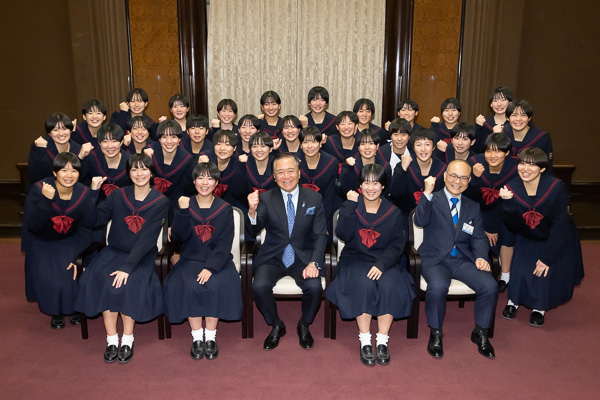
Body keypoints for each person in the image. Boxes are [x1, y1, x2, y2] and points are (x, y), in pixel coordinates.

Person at [76, 153, 170, 363]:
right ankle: (111, 339)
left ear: (152, 172)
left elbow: (147, 239)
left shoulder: (160, 201)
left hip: (141, 255)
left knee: (128, 283)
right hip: (114, 251)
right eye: (134, 169)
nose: (139, 173)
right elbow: (93, 220)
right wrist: (93, 193)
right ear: (128, 173)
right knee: (102, 279)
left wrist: (128, 267)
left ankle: (127, 338)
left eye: (144, 169)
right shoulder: (118, 196)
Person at [327, 164, 415, 366]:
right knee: (363, 284)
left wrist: (382, 265)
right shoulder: (351, 206)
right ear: (360, 185)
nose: (371, 187)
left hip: (385, 261)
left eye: (376, 182)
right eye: (366, 182)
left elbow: (397, 245)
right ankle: (365, 340)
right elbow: (343, 235)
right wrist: (349, 206)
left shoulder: (393, 212)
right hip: (355, 259)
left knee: (390, 285)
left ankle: (382, 341)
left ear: (383, 186)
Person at [414, 159, 498, 359]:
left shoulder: (473, 206)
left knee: (490, 286)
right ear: (445, 176)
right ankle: (436, 333)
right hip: (435, 259)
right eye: (453, 176)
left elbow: (478, 236)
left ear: (469, 181)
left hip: (462, 259)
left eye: (463, 178)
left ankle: (480, 332)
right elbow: (420, 220)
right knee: (438, 286)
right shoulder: (432, 199)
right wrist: (426, 193)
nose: (457, 181)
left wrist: (481, 257)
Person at [246, 153, 327, 350]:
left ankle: (303, 324)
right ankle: (276, 324)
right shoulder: (266, 198)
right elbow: (255, 229)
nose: (286, 176)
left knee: (314, 287)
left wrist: (314, 263)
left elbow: (320, 236)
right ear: (274, 177)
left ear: (299, 173)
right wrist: (252, 211)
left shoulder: (314, 198)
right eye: (280, 172)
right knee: (259, 286)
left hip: (303, 257)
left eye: (290, 171)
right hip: (273, 256)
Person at [163, 162, 243, 360]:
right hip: (190, 259)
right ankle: (197, 337)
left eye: (210, 178)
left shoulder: (225, 209)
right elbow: (178, 237)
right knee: (189, 285)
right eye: (200, 178)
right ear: (194, 181)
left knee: (215, 284)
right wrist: (182, 212)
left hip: (218, 261)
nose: (204, 182)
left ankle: (211, 337)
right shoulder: (185, 204)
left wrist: (210, 267)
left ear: (216, 183)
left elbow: (224, 244)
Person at [498, 148, 584, 327]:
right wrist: (507, 203)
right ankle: (512, 301)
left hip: (554, 237)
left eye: (532, 164)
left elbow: (560, 225)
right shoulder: (512, 186)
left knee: (543, 272)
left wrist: (547, 258)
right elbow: (513, 225)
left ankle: (539, 308)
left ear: (542, 169)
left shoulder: (556, 187)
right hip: (527, 236)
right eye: (522, 163)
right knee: (520, 270)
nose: (525, 168)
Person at [24, 152, 95, 329]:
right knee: (52, 281)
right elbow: (33, 225)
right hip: (42, 241)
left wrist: (79, 255)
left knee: (72, 274)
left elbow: (86, 227)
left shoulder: (84, 193)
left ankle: (73, 309)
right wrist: (45, 202)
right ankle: (56, 312)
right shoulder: (39, 189)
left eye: (74, 171)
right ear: (55, 173)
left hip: (69, 239)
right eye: (64, 170)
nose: (69, 175)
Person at [467, 133, 518, 291]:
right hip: (477, 211)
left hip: (503, 211)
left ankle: (505, 275)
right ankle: (478, 271)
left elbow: (509, 201)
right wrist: (474, 177)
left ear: (507, 152)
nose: (493, 155)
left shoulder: (515, 167)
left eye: (498, 151)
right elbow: (468, 197)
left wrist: (492, 227)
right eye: (489, 151)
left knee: (509, 230)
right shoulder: (475, 163)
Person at [27, 112, 93, 191]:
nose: (61, 133)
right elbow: (36, 177)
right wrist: (41, 152)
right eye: (55, 130)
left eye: (64, 129)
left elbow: (83, 179)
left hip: (72, 194)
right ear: (49, 133)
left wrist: (80, 158)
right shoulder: (39, 146)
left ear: (71, 130)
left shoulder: (79, 149)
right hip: (44, 192)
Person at [298, 126, 339, 238]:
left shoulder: (331, 162)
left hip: (322, 212)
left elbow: (329, 196)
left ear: (321, 144)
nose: (310, 146)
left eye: (314, 141)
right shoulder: (294, 161)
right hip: (298, 214)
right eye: (305, 142)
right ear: (300, 145)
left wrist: (322, 223)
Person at [337, 128, 392, 200]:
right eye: (363, 144)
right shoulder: (350, 164)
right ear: (358, 147)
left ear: (377, 146)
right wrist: (349, 169)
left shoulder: (385, 166)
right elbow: (342, 191)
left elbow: (386, 192)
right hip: (354, 204)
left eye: (371, 143)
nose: (367, 148)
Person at [81, 123, 131, 199]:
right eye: (105, 141)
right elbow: (78, 180)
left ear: (121, 142)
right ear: (99, 143)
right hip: (97, 204)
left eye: (114, 141)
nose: (110, 146)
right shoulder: (91, 158)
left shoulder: (130, 161)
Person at [503, 100, 553, 174]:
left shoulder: (542, 138)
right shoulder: (501, 133)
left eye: (523, 115)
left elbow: (547, 167)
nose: (518, 119)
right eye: (514, 115)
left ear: (529, 118)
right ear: (507, 118)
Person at [209, 129, 249, 212]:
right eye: (218, 144)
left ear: (234, 148)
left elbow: (238, 192)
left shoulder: (238, 163)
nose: (222, 148)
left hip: (231, 207)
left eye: (227, 145)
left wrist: (241, 167)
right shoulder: (206, 159)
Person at [474, 86, 513, 153]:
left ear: (510, 103)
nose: (499, 104)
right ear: (491, 104)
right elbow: (476, 149)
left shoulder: (514, 125)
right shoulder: (485, 124)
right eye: (495, 100)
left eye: (503, 100)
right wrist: (478, 127)